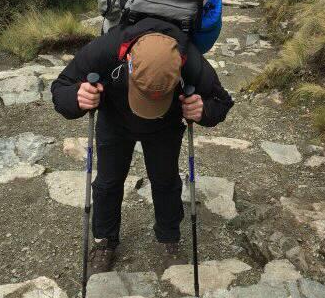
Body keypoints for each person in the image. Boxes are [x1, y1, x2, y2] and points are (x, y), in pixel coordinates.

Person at [51, 16, 234, 274]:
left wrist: (202, 110)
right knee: (108, 182)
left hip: (165, 125)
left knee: (166, 181)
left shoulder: (189, 57)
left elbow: (222, 102)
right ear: (128, 61)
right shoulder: (106, 48)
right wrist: (77, 96)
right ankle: (104, 241)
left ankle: (169, 239)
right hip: (115, 121)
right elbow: (61, 88)